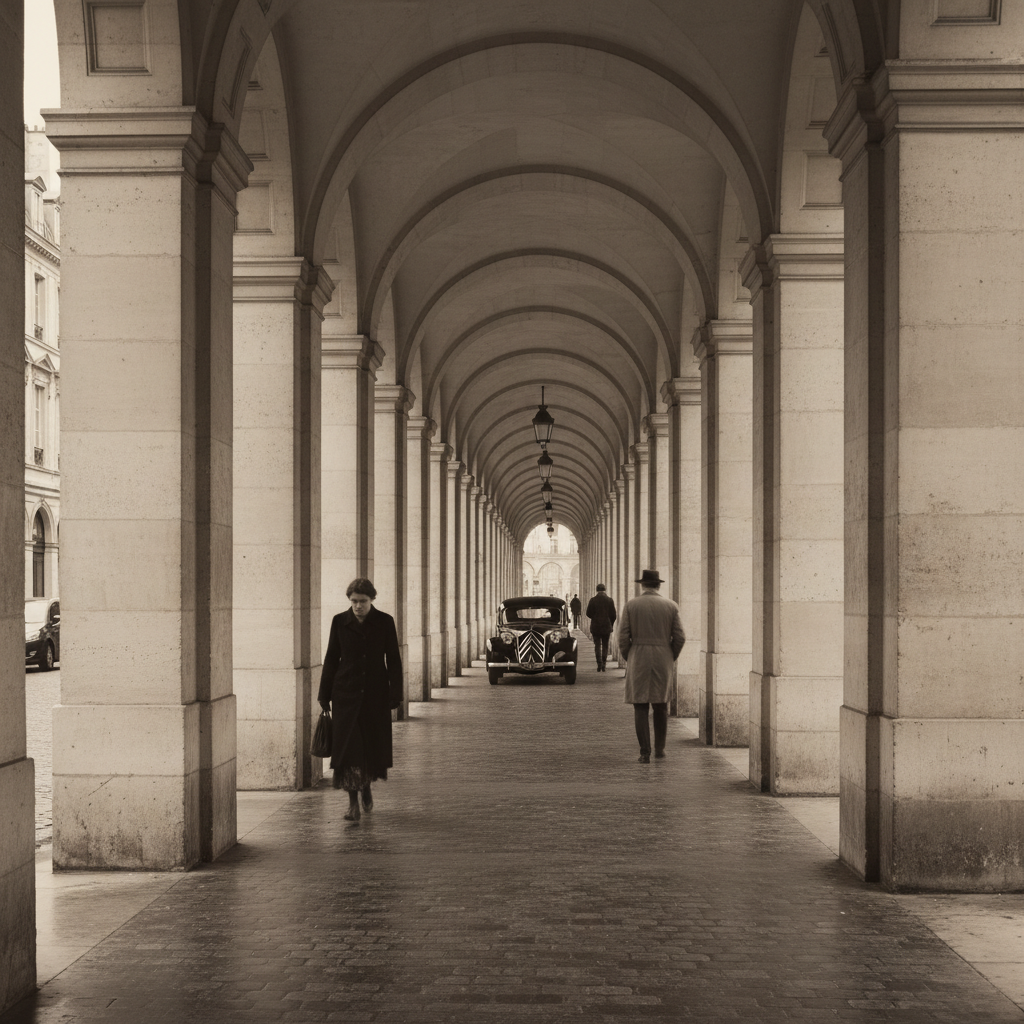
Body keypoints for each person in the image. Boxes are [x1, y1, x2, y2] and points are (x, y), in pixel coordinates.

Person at [318, 578, 403, 822]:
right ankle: (352, 804)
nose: (357, 606)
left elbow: (394, 660)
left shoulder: (385, 622)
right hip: (345, 695)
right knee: (348, 752)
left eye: (362, 601)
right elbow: (331, 659)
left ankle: (365, 787)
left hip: (375, 696)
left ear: (372, 600)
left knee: (369, 749)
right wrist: (324, 695)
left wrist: (395, 693)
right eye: (353, 601)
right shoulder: (339, 622)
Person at [617, 569, 685, 763]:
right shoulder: (671, 606)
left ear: (642, 585)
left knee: (640, 706)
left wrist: (630, 656)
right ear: (658, 585)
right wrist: (670, 655)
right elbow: (680, 637)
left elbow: (622, 637)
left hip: (638, 656)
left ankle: (644, 752)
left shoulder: (631, 605)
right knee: (661, 705)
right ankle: (660, 749)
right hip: (663, 657)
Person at [585, 583, 617, 672]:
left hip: (596, 626)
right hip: (606, 626)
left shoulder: (593, 600)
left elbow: (588, 613)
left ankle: (599, 664)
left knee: (597, 645)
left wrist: (595, 618)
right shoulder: (610, 600)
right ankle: (604, 664)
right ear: (605, 589)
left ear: (597, 590)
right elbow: (614, 615)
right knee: (605, 645)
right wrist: (610, 623)